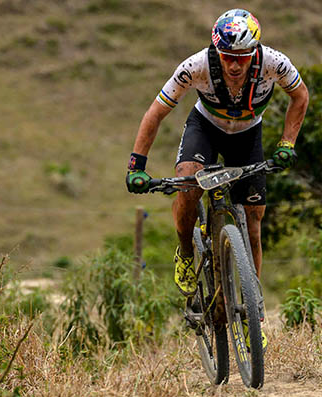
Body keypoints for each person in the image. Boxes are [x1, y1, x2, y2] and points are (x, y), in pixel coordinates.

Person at [126, 9, 308, 347]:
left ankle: (255, 314)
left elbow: (300, 96)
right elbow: (156, 112)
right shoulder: (195, 67)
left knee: (253, 224)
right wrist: (136, 165)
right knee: (187, 183)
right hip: (205, 130)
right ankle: (184, 250)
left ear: (254, 52)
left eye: (242, 57)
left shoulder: (274, 63)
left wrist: (286, 144)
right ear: (216, 51)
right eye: (228, 57)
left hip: (248, 136)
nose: (235, 66)